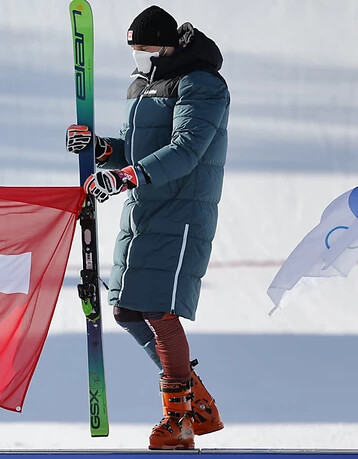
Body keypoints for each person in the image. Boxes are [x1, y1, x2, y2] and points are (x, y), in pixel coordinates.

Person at [66, 5, 230, 450]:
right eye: (134, 48)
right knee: (126, 309)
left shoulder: (201, 84)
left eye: (146, 47)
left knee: (160, 309)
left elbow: (185, 149)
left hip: (182, 211)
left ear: (169, 43)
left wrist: (124, 177)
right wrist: (102, 151)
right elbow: (139, 150)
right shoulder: (142, 85)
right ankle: (193, 397)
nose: (139, 56)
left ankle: (178, 420)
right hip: (142, 210)